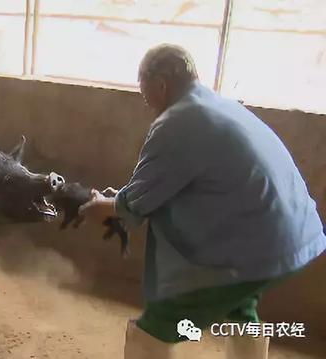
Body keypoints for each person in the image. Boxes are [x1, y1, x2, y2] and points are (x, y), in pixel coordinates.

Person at [78, 44, 326, 359]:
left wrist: (105, 206)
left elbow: (137, 201)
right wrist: (124, 200)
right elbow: (160, 187)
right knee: (240, 306)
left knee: (160, 321)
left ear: (161, 85)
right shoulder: (221, 105)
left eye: (144, 94)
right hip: (297, 236)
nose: (146, 103)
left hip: (260, 247)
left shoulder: (176, 122)